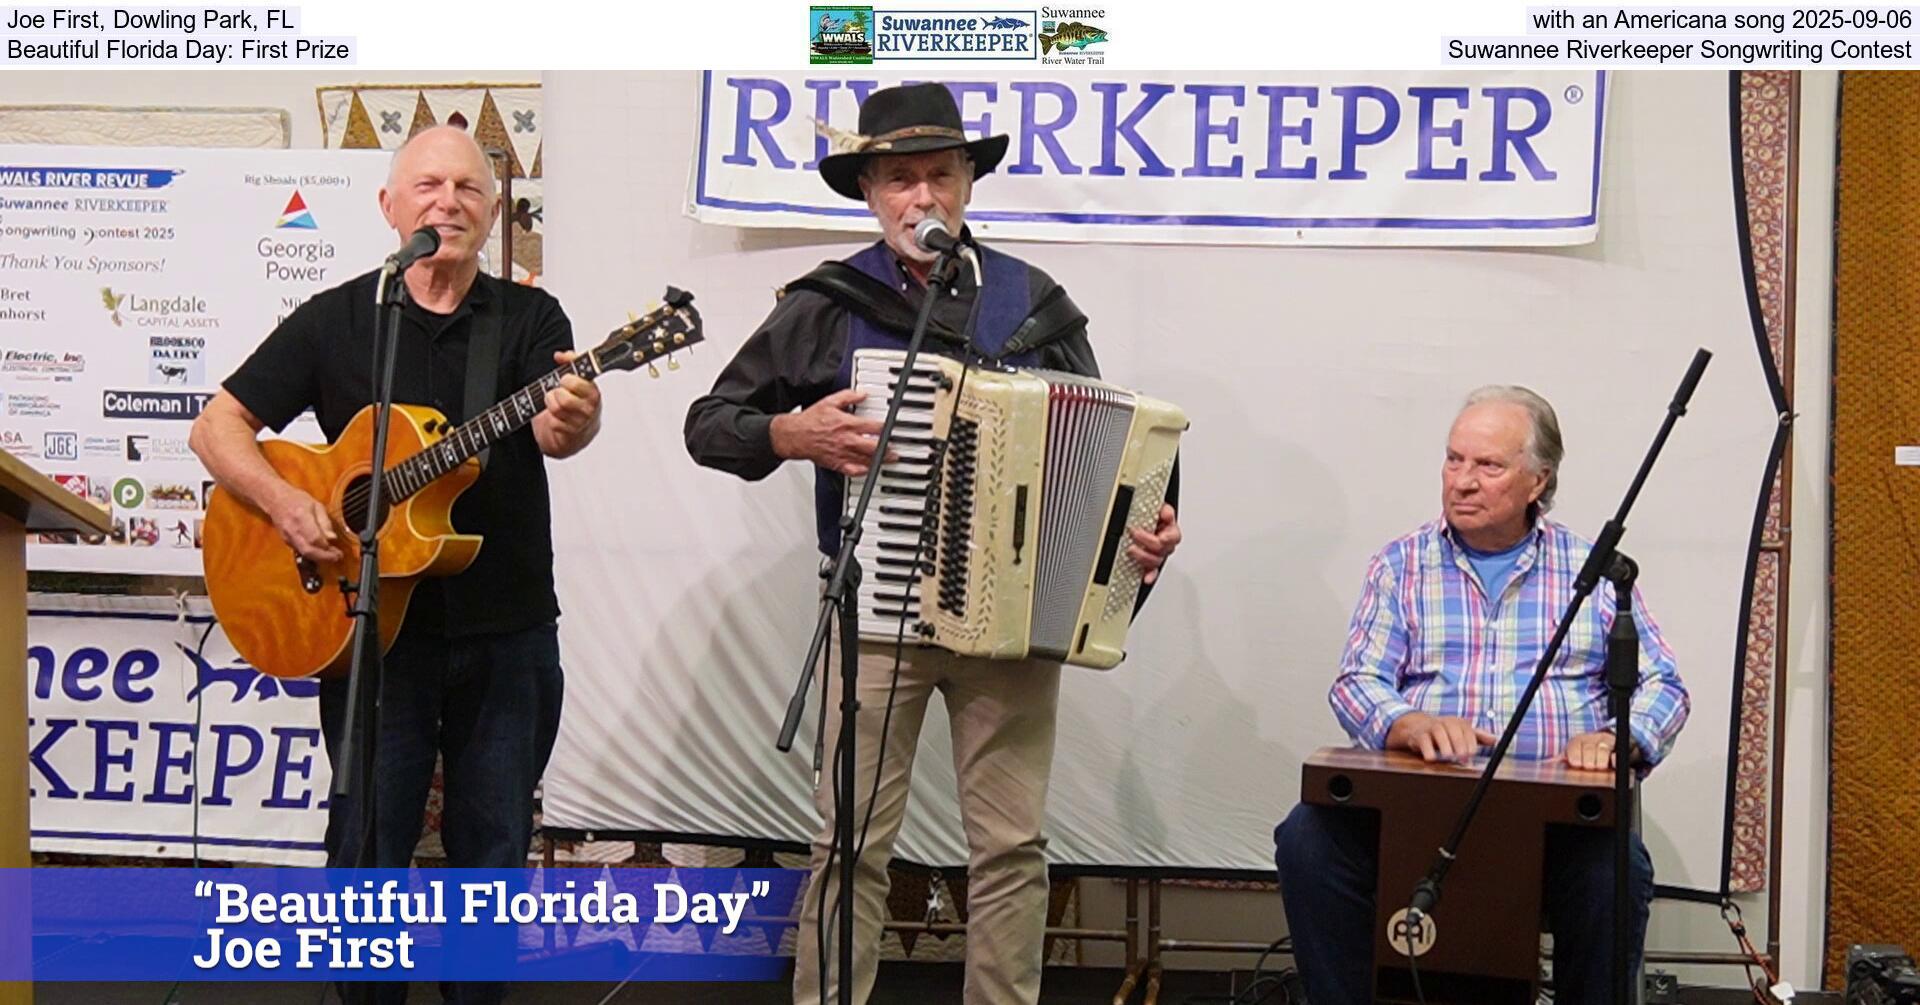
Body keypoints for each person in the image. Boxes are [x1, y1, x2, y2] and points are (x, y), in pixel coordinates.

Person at [684, 82, 1182, 1005]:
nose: (924, 197)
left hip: (1011, 629)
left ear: (967, 184)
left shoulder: (1035, 303)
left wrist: (1139, 537)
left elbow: (1116, 457)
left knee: (1011, 846)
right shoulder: (830, 303)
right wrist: (792, 432)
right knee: (851, 841)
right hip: (876, 618)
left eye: (941, 175)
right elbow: (710, 423)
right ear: (871, 194)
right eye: (901, 179)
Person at [189, 125, 601, 1004]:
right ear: (389, 206)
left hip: (506, 631)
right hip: (368, 634)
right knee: (367, 844)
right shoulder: (341, 318)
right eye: (427, 186)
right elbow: (216, 426)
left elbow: (554, 429)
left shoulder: (530, 320)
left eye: (468, 188)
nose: (447, 201)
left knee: (492, 851)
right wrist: (285, 502)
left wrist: (574, 418)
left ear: (493, 211)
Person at [1273, 385, 1690, 1005]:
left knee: (1616, 871)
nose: (1463, 481)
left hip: (1554, 825)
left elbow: (1665, 686)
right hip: (1421, 809)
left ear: (1538, 482)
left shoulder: (1594, 572)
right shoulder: (1401, 565)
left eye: (1488, 465)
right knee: (1308, 838)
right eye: (1454, 459)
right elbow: (1356, 682)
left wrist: (1615, 739)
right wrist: (1409, 723)